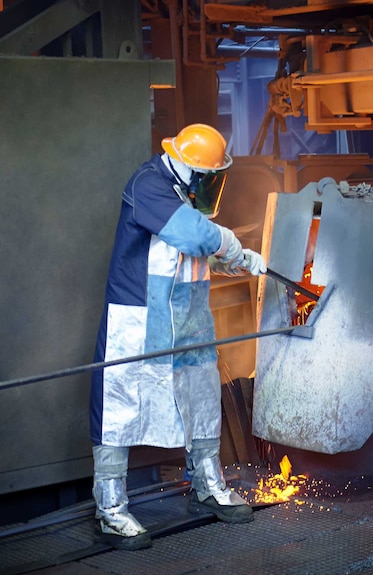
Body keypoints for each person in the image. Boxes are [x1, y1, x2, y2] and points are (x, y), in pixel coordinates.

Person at [89, 123, 267, 550]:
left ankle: (208, 486)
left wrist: (233, 264)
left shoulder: (183, 194)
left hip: (187, 321)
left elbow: (192, 251)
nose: (209, 186)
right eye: (205, 177)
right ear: (187, 168)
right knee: (119, 410)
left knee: (201, 400)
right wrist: (234, 247)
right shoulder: (148, 184)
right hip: (139, 324)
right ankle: (111, 510)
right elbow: (191, 234)